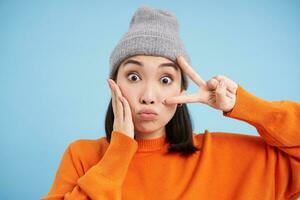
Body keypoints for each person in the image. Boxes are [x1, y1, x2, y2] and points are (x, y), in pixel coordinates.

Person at [41, 6, 300, 200]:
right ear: (114, 84)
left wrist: (242, 104)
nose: (148, 96)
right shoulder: (83, 157)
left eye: (165, 79)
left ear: (182, 89)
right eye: (133, 76)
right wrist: (119, 153)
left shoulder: (230, 157)